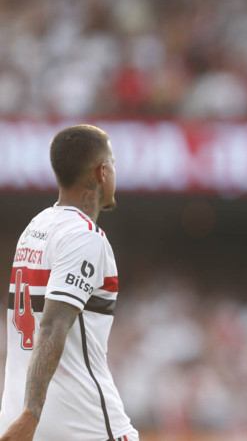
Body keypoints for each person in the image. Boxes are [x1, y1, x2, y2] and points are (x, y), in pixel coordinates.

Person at [0, 125, 137, 440]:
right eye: (113, 163)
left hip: (21, 415)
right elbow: (52, 325)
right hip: (81, 421)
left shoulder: (36, 227)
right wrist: (32, 413)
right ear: (102, 172)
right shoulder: (83, 236)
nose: (115, 171)